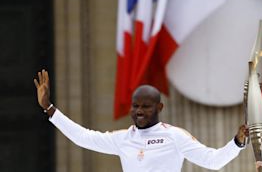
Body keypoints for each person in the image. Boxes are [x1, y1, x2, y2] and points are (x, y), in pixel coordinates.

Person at [34, 69, 249, 172]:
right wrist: (50, 109)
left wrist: (237, 143)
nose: (139, 111)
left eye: (145, 106)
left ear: (159, 107)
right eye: (135, 106)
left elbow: (213, 161)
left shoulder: (174, 136)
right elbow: (83, 137)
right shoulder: (123, 138)